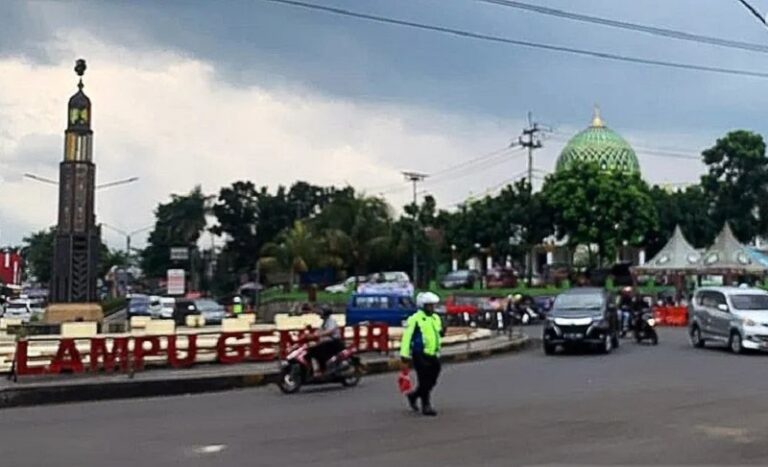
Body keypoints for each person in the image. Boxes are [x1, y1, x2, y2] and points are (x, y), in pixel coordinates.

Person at [401, 291, 444, 416]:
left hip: (433, 353)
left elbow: (438, 332)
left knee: (433, 379)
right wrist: (404, 354)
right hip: (419, 353)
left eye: (432, 305)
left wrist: (442, 332)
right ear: (423, 306)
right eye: (429, 305)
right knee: (424, 379)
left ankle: (414, 395)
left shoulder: (435, 318)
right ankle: (426, 405)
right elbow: (407, 337)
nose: (431, 308)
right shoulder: (415, 319)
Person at [308, 305, 343, 375]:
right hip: (327, 341)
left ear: (325, 313)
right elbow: (318, 331)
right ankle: (318, 368)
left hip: (334, 342)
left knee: (317, 351)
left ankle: (324, 368)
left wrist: (319, 334)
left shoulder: (331, 321)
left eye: (321, 312)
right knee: (311, 350)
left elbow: (330, 331)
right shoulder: (324, 322)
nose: (319, 314)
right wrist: (310, 335)